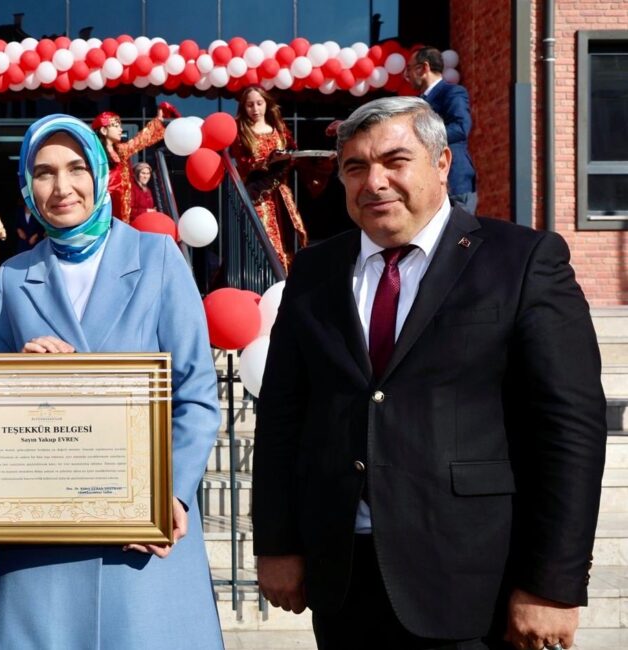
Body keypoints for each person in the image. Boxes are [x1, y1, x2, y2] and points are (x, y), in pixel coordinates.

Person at [252, 97, 606, 650]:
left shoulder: (522, 261)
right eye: (355, 167)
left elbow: (569, 430)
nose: (375, 182)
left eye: (396, 160)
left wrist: (553, 586)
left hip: (474, 583)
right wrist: (276, 543)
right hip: (345, 581)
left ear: (441, 164)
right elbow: (281, 416)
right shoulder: (315, 271)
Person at [0, 114, 223, 649]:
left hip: (142, 537)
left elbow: (195, 391)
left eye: (76, 168)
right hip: (43, 551)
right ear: (28, 185)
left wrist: (174, 492)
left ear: (99, 173)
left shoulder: (158, 257)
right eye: (44, 172)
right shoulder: (11, 277)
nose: (62, 186)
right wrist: (21, 377)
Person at [230, 85, 308, 273]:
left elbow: (293, 154)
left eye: (259, 103)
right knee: (265, 239)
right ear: (244, 107)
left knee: (288, 238)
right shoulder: (241, 132)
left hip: (280, 195)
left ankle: (284, 283)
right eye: (250, 105)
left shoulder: (279, 129)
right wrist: (265, 165)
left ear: (267, 103)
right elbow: (243, 164)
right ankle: (268, 281)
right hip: (257, 195)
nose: (255, 109)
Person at [405, 46, 478, 214]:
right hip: (426, 184)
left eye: (409, 68)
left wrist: (418, 136)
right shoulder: (416, 103)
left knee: (461, 238)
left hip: (454, 181)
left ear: (424, 68)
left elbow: (460, 128)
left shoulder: (452, 92)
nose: (406, 75)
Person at [92, 101, 178, 224]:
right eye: (116, 126)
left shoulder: (121, 151)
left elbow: (141, 140)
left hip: (123, 214)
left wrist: (158, 121)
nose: (120, 130)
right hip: (103, 211)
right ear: (104, 131)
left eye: (120, 126)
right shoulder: (94, 156)